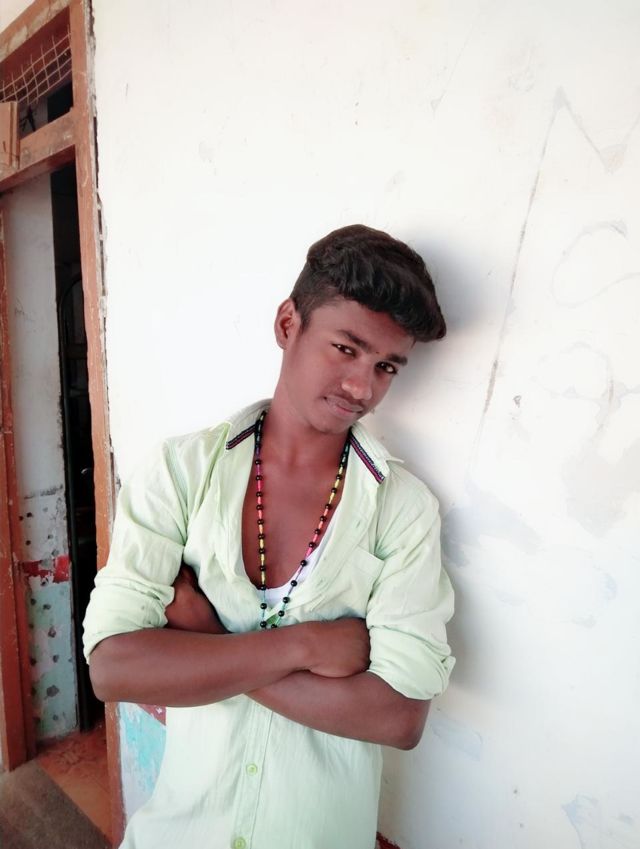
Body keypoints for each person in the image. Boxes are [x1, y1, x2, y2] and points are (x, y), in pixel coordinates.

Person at [83, 224, 456, 849]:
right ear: (288, 324)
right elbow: (114, 667)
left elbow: (398, 716)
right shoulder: (182, 474)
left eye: (386, 366)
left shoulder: (403, 510)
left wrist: (207, 639)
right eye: (346, 348)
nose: (362, 387)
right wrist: (305, 645)